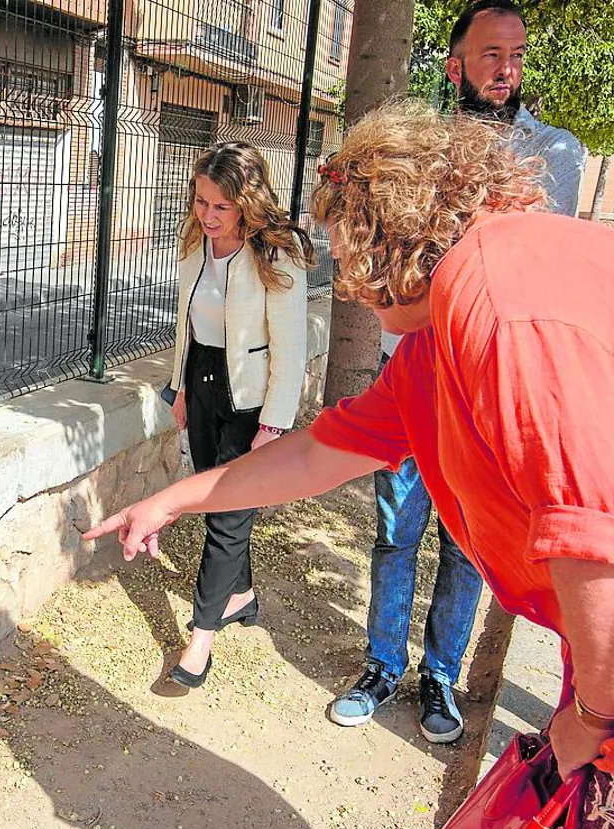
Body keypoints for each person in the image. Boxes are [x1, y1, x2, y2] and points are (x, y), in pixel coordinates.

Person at [83, 100, 614, 793]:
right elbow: (315, 456)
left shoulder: (497, 301)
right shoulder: (447, 326)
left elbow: (592, 537)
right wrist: (169, 500)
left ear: (385, 233)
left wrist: (594, 717)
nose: (351, 288)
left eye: (346, 251)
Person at [329, 0, 588, 745]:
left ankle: (439, 676)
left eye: (515, 56)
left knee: (469, 546)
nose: (505, 72)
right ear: (456, 66)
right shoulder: (422, 149)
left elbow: (537, 269)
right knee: (393, 533)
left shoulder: (557, 154)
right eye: (489, 57)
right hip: (414, 372)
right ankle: (382, 665)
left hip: (490, 389)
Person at [159, 142, 313, 689]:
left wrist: (274, 424)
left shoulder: (276, 253)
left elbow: (290, 349)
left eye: (221, 206)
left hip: (249, 397)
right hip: (201, 380)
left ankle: (199, 639)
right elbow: (186, 323)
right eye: (201, 201)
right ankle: (241, 595)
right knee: (217, 499)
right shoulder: (194, 244)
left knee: (227, 513)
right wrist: (178, 387)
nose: (207, 215)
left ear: (247, 202)